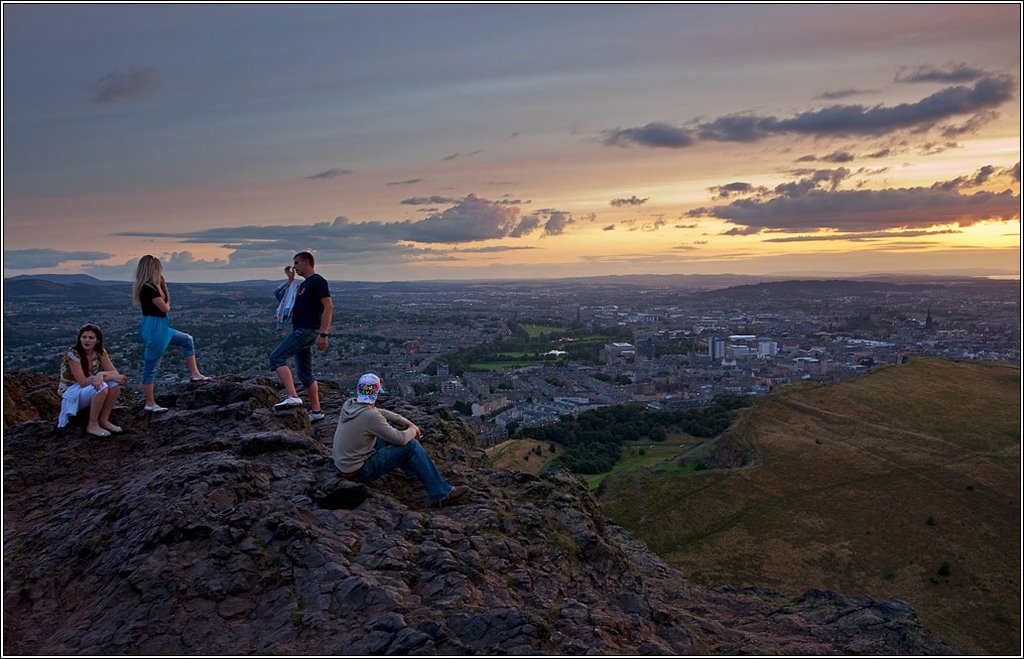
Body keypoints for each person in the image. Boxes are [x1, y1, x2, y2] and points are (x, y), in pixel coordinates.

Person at [332, 373, 469, 507]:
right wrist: (413, 429)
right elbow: (402, 439)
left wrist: (405, 421)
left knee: (387, 428)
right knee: (411, 445)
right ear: (377, 394)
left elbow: (378, 412)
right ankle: (441, 494)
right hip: (359, 470)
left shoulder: (349, 404)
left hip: (344, 465)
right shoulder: (370, 416)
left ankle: (412, 467)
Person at [132, 255, 210, 413]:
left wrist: (164, 285)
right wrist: (164, 291)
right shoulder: (147, 288)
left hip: (160, 325)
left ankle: (195, 374)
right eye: (159, 269)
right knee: (151, 366)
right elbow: (166, 308)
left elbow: (166, 302)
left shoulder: (154, 287)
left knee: (187, 340)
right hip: (155, 327)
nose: (161, 272)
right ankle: (150, 402)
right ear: (153, 269)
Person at [268, 251, 332, 422]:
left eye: (296, 263)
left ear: (306, 262)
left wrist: (324, 334)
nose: (294, 267)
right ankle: (317, 412)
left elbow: (328, 306)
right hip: (303, 330)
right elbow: (282, 297)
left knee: (276, 357)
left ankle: (292, 396)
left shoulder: (317, 281)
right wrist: (290, 280)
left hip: (306, 330)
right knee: (305, 374)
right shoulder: (303, 285)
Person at [57, 324, 127, 437]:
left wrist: (101, 374)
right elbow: (83, 382)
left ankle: (103, 420)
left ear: (97, 340)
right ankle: (92, 425)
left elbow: (115, 374)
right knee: (102, 386)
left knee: (115, 384)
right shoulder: (73, 354)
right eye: (84, 337)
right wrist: (101, 378)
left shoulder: (100, 352)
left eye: (91, 337)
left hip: (88, 387)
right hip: (72, 393)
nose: (87, 340)